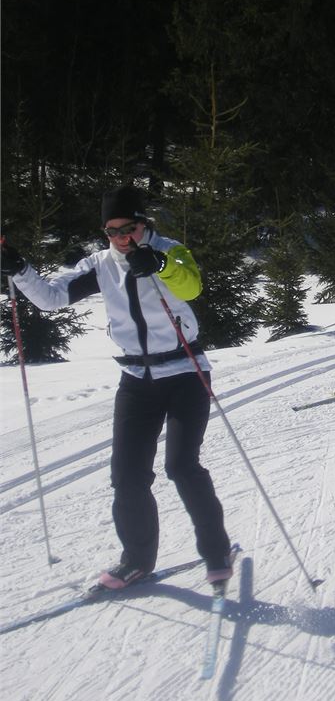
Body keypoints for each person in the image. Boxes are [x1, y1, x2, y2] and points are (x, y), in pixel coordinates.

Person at [1, 185, 232, 589]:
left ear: (144, 224)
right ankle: (137, 559)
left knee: (181, 466)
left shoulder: (171, 250)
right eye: (112, 231)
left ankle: (216, 549)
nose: (122, 238)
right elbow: (52, 299)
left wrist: (159, 265)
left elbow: (191, 287)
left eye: (129, 228)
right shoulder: (102, 264)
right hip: (136, 381)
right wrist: (19, 269)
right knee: (127, 475)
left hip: (185, 373)